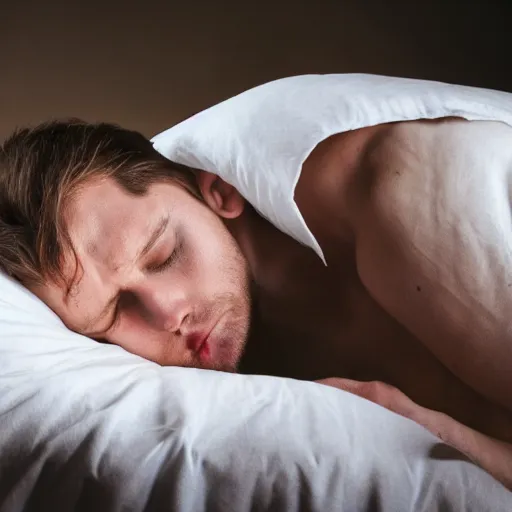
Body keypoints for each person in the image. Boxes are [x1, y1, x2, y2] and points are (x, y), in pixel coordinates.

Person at [1, 118, 511, 488]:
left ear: (216, 189)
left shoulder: (406, 199)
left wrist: (428, 429)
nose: (167, 313)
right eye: (112, 315)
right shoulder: (241, 368)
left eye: (163, 255)